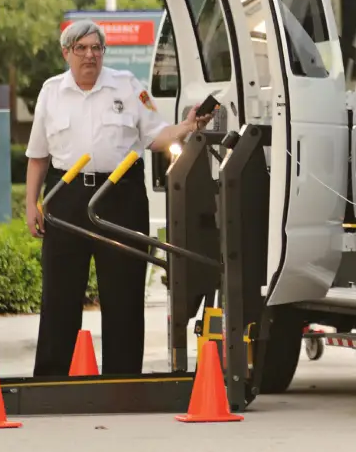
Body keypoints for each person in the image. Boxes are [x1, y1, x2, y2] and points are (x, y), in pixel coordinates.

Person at [24, 20, 216, 377]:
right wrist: (30, 206)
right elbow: (38, 157)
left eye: (96, 48)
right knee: (60, 294)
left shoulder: (127, 86)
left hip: (120, 195)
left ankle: (124, 379)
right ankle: (49, 380)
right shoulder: (51, 92)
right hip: (66, 195)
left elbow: (157, 137)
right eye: (81, 48)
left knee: (124, 292)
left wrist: (188, 126)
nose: (89, 55)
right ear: (66, 53)